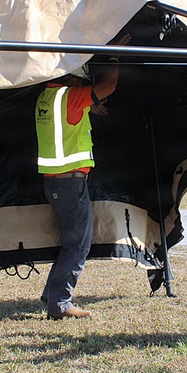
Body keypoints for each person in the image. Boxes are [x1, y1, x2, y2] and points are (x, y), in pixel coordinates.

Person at [36, 35, 129, 320]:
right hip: (69, 184)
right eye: (84, 81)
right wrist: (114, 55)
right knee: (78, 244)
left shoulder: (48, 97)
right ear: (74, 79)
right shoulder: (69, 96)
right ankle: (60, 304)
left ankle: (52, 295)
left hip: (57, 183)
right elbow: (108, 87)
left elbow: (71, 117)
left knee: (72, 241)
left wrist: (90, 105)